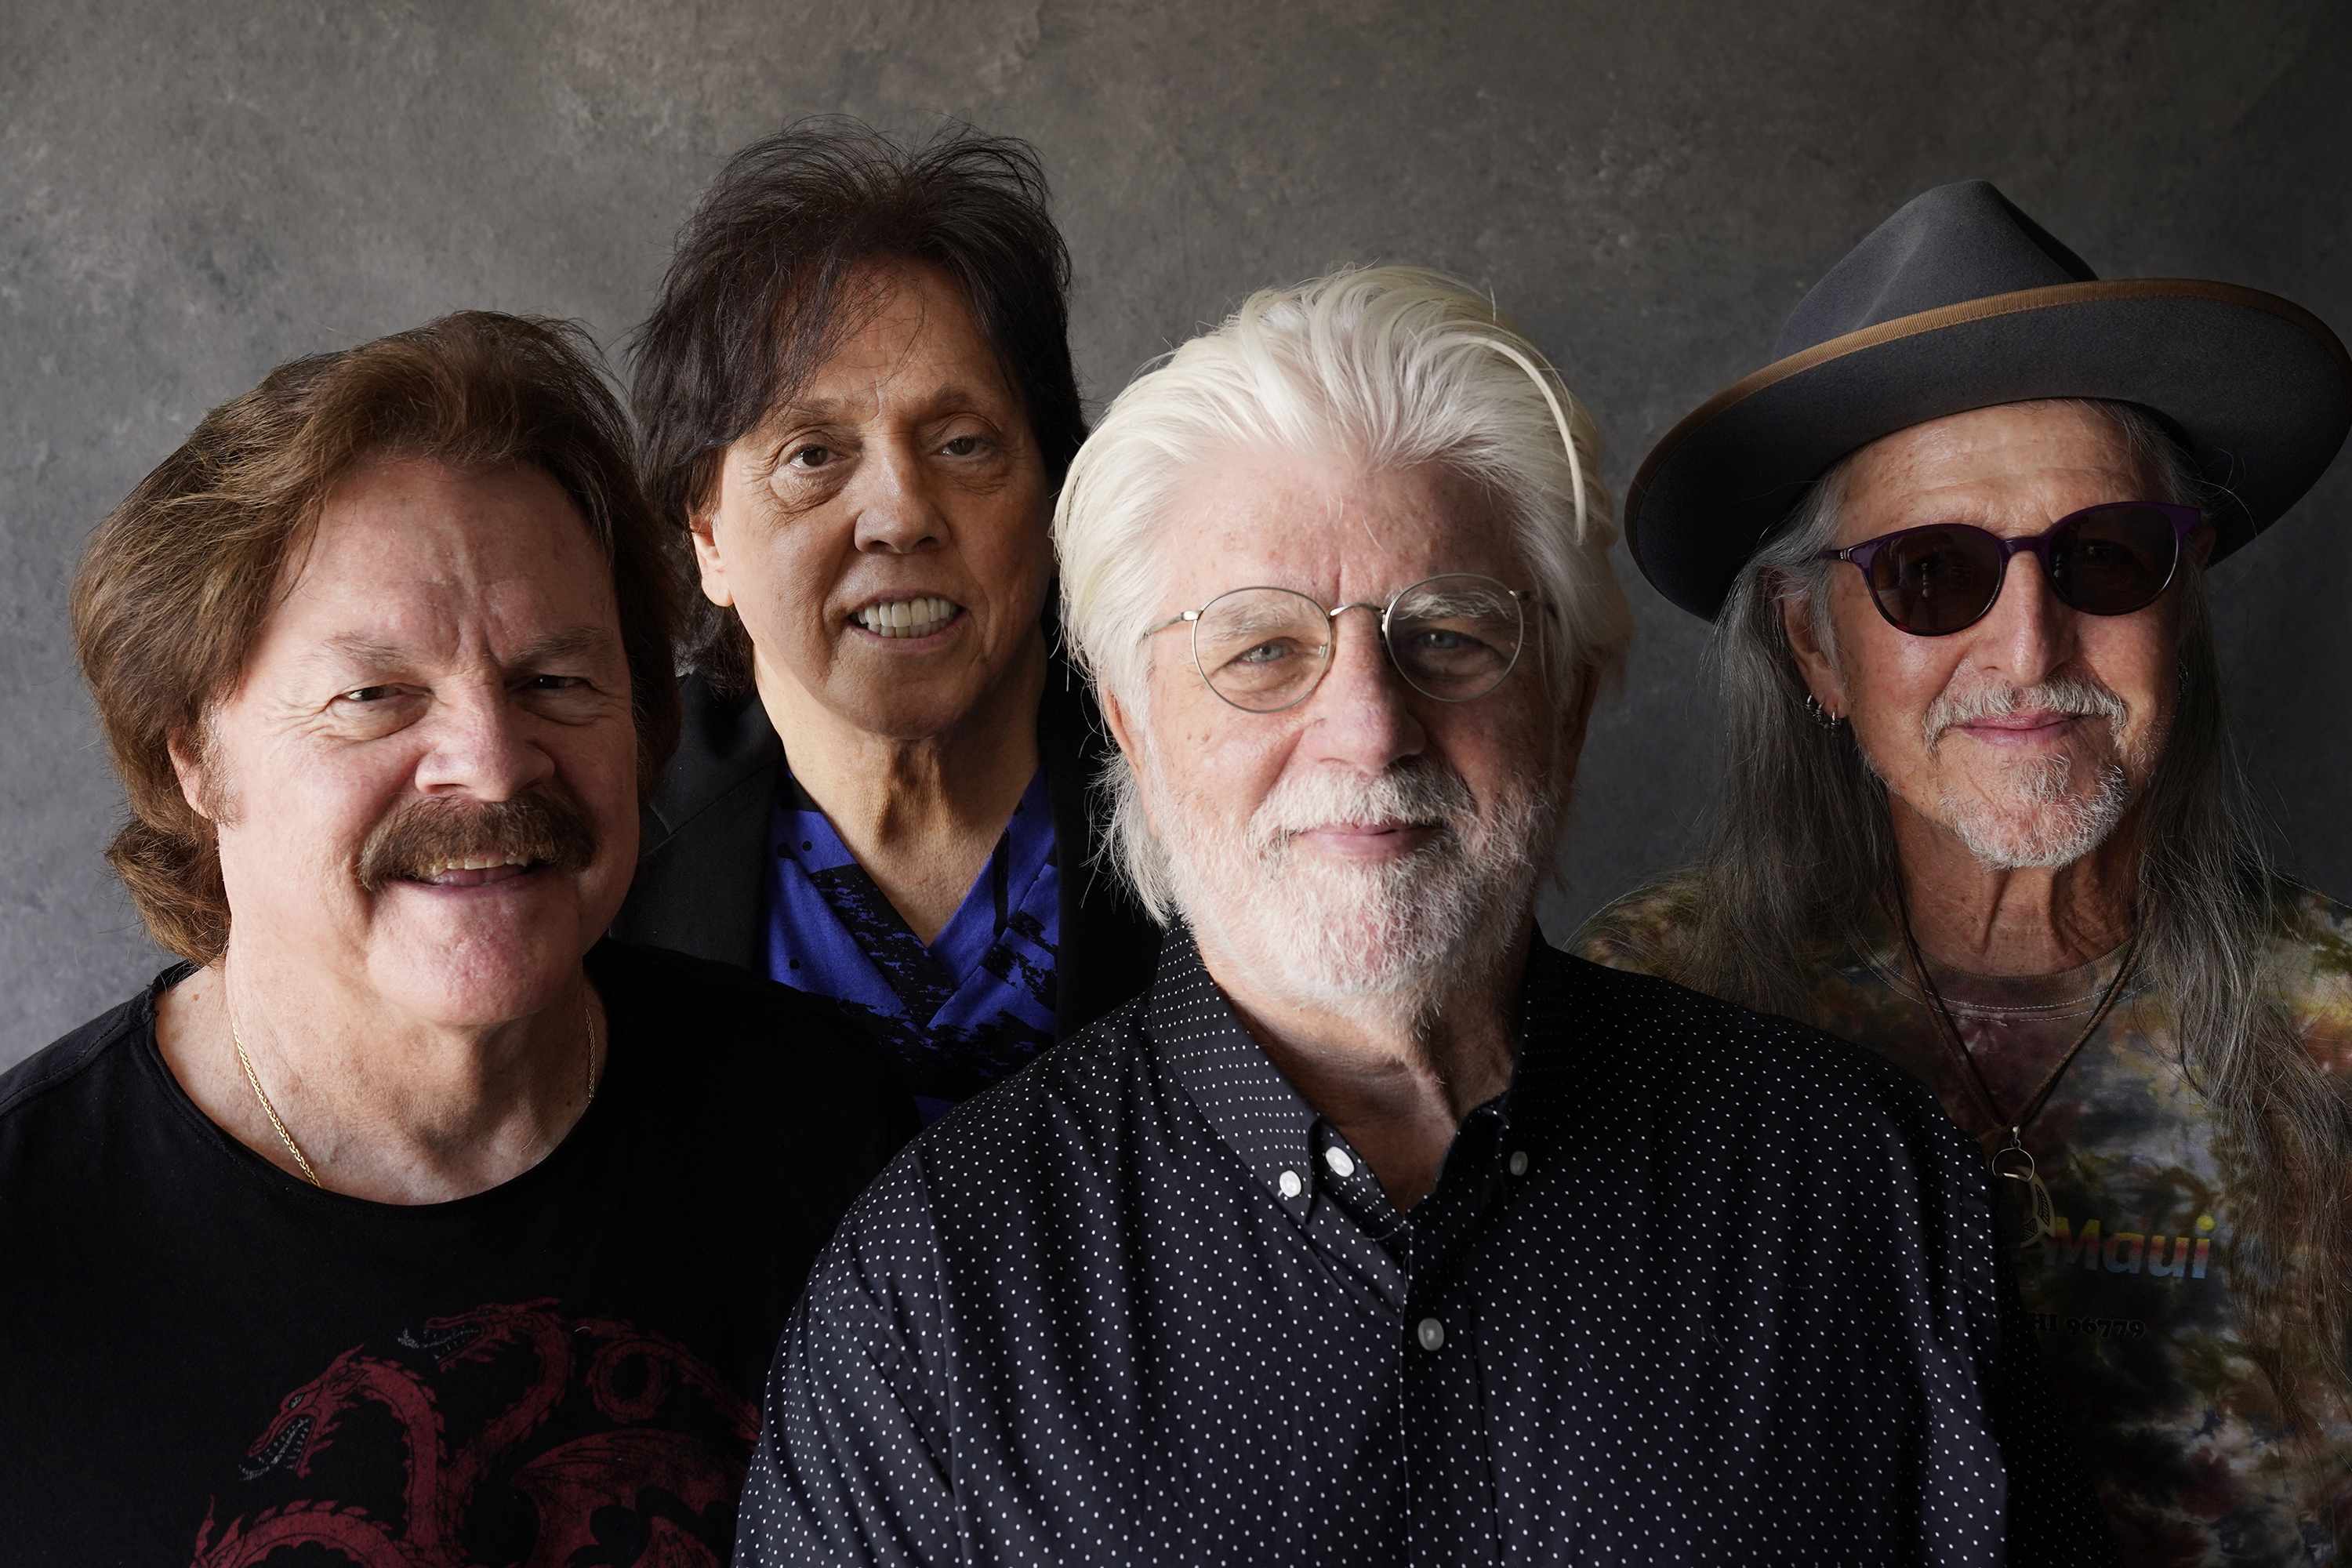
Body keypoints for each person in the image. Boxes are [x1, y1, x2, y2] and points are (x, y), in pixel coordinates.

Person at [732, 267, 2113, 1565]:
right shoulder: (929, 1303)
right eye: (1263, 649)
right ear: (1136, 731)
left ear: (1566, 713)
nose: (1366, 727)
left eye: (1446, 636)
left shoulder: (1859, 1193)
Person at [0, 313, 913, 1563]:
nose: (490, 763)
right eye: (376, 695)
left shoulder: (831, 1137)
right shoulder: (28, 1251)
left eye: (555, 681)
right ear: (196, 756)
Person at [1575, 181, 2352, 1559]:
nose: (2031, 651)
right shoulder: (1645, 1016)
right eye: (1934, 574)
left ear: (2182, 605)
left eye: (2104, 558)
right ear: (1814, 645)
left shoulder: (2336, 1036)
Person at [617, 122, 1160, 1122]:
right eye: (814, 455)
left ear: (1053, 490)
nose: (902, 512)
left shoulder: (1202, 782)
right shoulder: (600, 839)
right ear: (710, 539)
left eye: (963, 443)